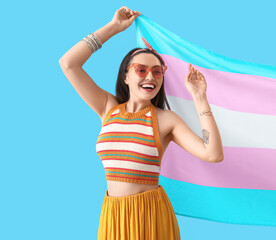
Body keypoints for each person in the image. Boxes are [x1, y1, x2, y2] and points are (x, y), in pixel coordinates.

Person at [59, 6, 224, 240]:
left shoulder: (165, 119)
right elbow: (68, 63)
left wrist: (199, 98)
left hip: (150, 216)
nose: (150, 77)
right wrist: (114, 28)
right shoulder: (108, 108)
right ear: (126, 76)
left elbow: (213, 154)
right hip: (113, 215)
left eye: (158, 72)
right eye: (141, 70)